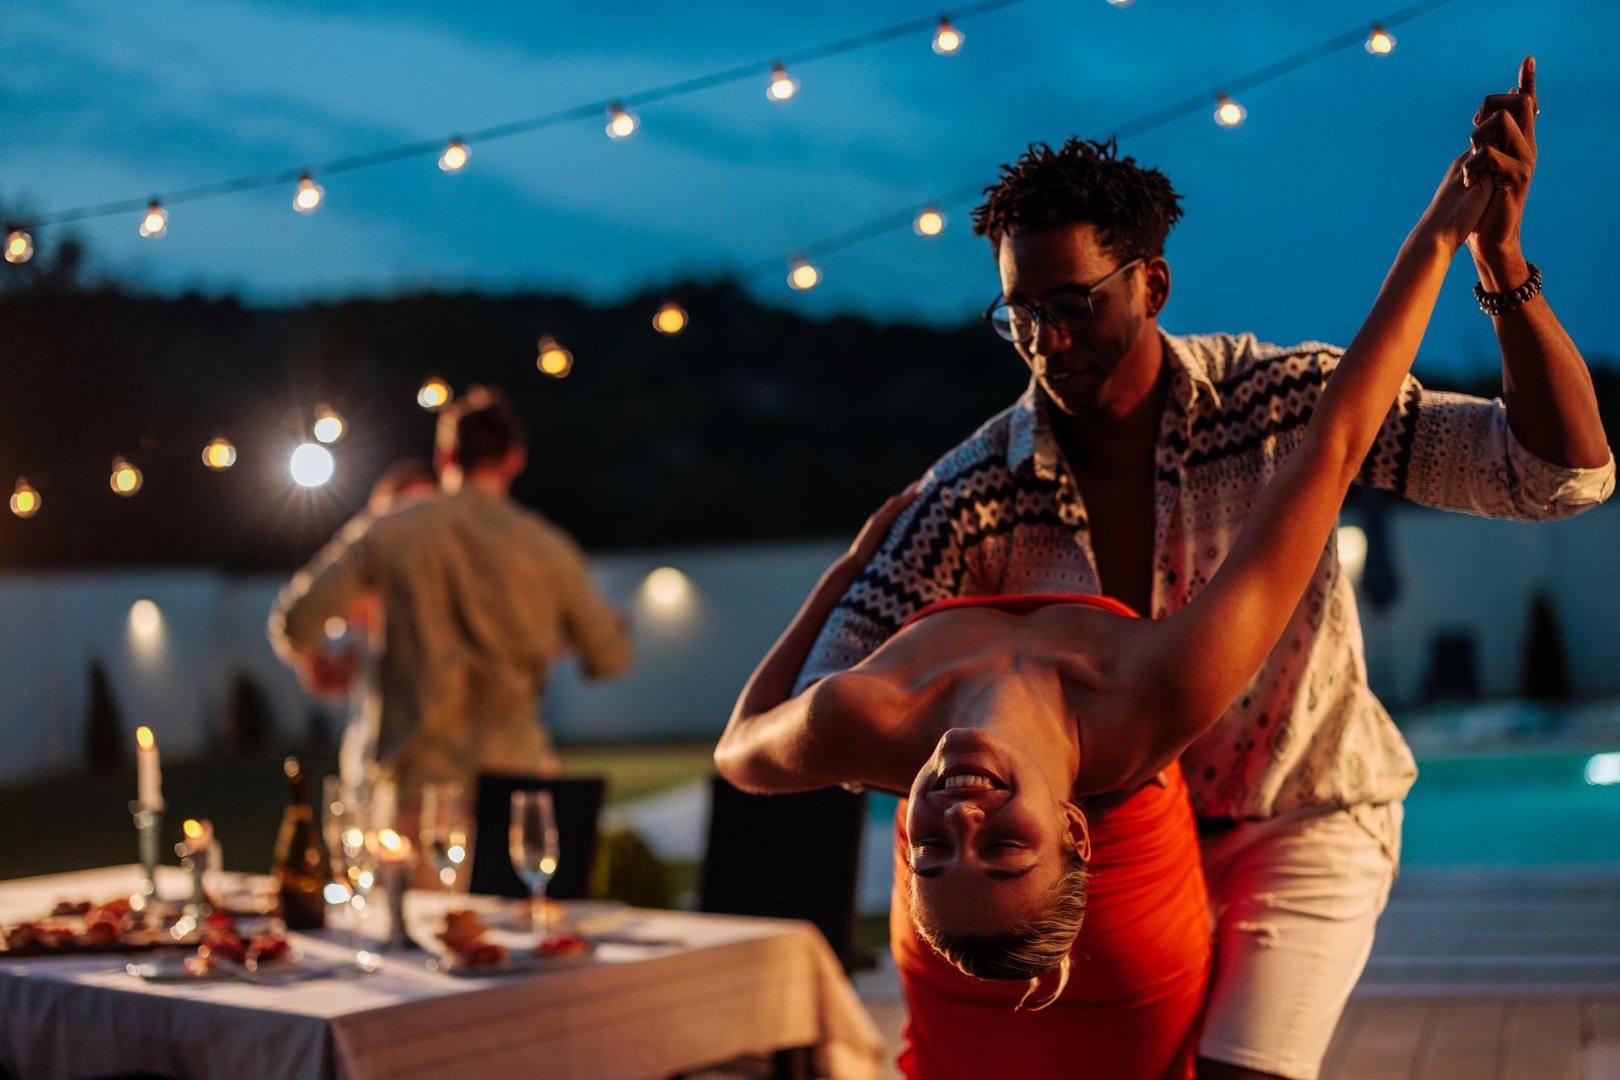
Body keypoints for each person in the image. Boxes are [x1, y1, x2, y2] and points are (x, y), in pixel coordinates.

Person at [731, 57, 1613, 1080]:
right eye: (1020, 314)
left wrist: (1498, 260)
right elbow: (817, 696)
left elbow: (1557, 476)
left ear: (1151, 282)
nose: (1047, 342)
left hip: (1302, 811)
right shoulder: (962, 499)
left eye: (1074, 305)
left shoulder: (1278, 404)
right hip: (1130, 840)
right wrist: (848, 596)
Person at [269, 386, 633, 812]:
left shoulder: (392, 531)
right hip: (516, 793)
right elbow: (610, 657)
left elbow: (295, 623)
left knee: (414, 881)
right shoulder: (549, 549)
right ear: (515, 459)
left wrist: (317, 662)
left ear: (445, 457)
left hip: (419, 795)